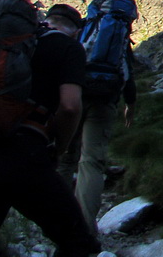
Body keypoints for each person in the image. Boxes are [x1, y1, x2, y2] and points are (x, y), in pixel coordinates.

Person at [0, 4, 101, 257]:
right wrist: (59, 148)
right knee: (78, 242)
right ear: (77, 30)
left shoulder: (13, 43)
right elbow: (71, 105)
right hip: (25, 152)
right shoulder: (69, 47)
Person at [58, 41, 137, 237]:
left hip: (76, 94)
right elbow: (128, 74)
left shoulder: (86, 27)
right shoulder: (119, 38)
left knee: (66, 159)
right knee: (91, 163)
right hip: (105, 101)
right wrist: (130, 104)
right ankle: (84, 229)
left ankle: (55, 221)